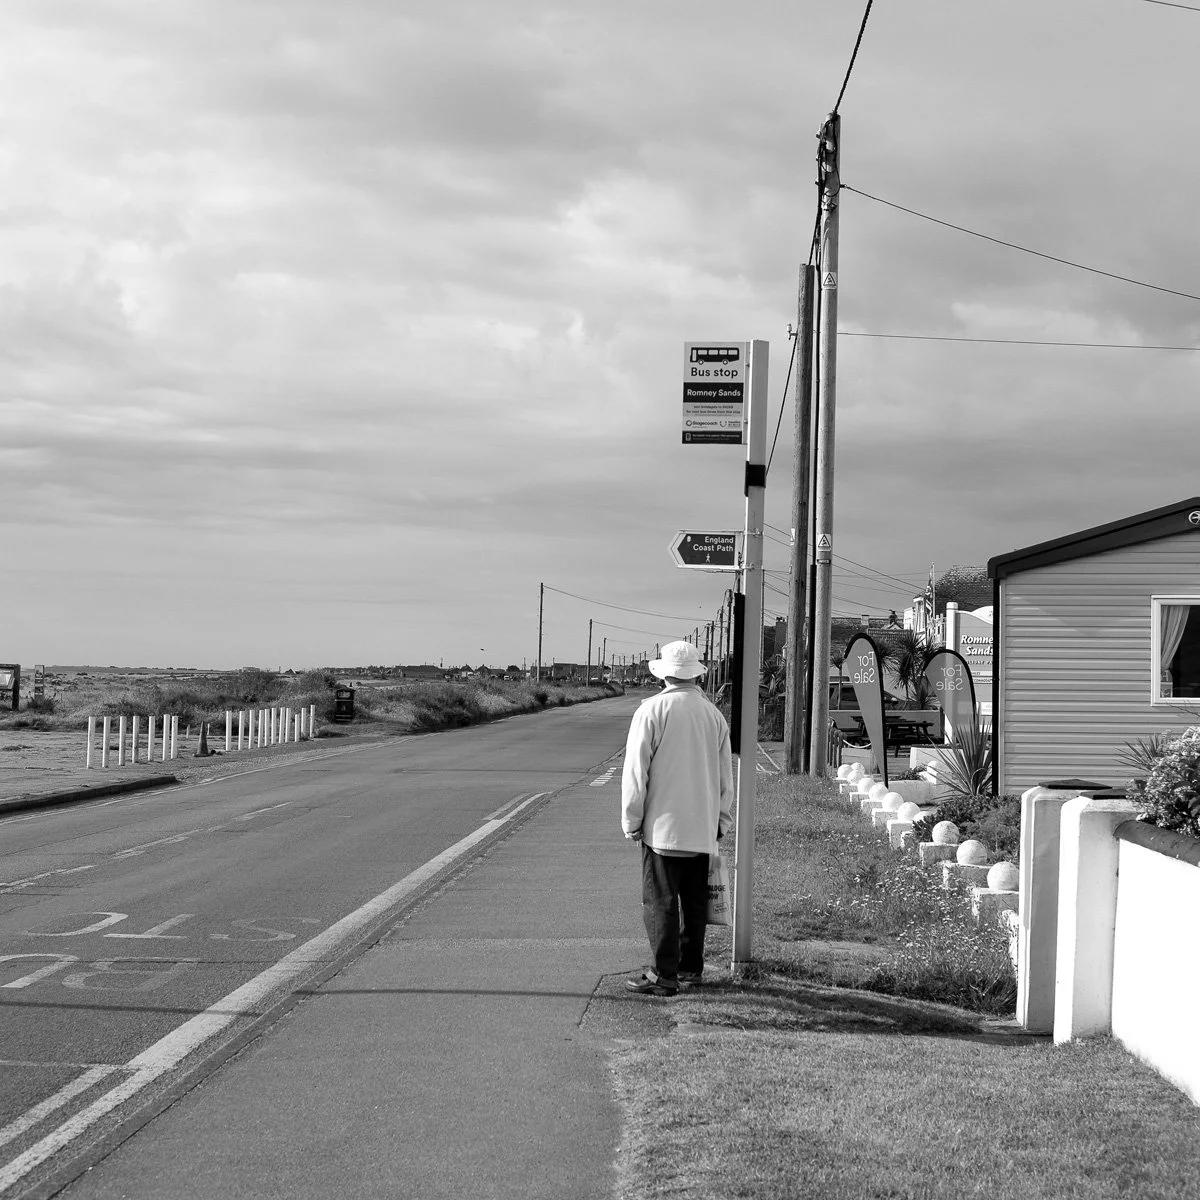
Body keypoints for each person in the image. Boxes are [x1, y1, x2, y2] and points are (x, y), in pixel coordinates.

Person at [620, 640, 734, 997]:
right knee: (693, 903)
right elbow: (724, 777)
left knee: (660, 902)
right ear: (695, 674)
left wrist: (631, 820)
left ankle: (662, 974)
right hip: (702, 827)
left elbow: (636, 773)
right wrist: (722, 821)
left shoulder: (652, 711)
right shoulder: (714, 715)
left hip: (662, 827)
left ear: (664, 674)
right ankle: (689, 968)